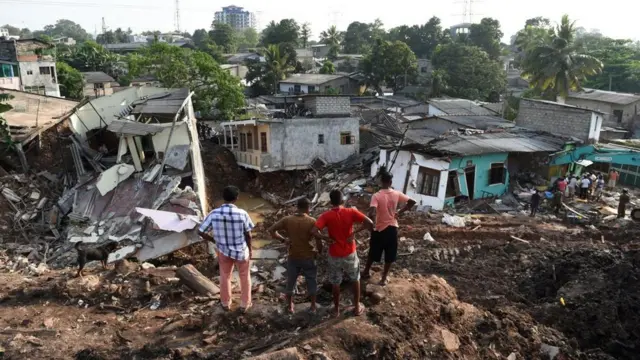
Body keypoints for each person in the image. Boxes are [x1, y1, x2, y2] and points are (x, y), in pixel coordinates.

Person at [312, 190, 373, 317]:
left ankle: (336, 310)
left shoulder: (326, 215)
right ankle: (356, 307)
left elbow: (314, 231)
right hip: (350, 252)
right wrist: (354, 233)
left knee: (335, 282)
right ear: (342, 201)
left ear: (330, 202)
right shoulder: (350, 212)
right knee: (355, 278)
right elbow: (370, 223)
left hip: (334, 253)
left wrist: (324, 238)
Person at [198, 186, 255, 313]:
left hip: (223, 251)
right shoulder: (242, 213)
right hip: (241, 251)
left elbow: (200, 231)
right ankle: (245, 304)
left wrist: (213, 240)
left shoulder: (214, 213)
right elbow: (248, 235)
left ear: (224, 198)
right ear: (236, 198)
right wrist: (250, 250)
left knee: (225, 277)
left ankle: (225, 303)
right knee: (245, 277)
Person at [268, 198, 322, 314]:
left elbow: (271, 230)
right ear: (308, 208)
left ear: (297, 207)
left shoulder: (287, 220)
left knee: (291, 281)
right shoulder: (312, 221)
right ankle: (313, 306)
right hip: (308, 255)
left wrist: (283, 240)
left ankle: (290, 307)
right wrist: (319, 251)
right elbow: (318, 238)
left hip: (293, 256)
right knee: (311, 280)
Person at [362, 171, 416, 285]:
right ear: (391, 182)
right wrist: (399, 212)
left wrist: (371, 224)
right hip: (392, 228)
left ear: (381, 182)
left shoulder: (376, 196)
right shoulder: (396, 194)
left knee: (373, 252)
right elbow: (412, 202)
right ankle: (383, 278)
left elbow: (372, 211)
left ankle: (366, 271)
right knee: (389, 254)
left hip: (379, 228)